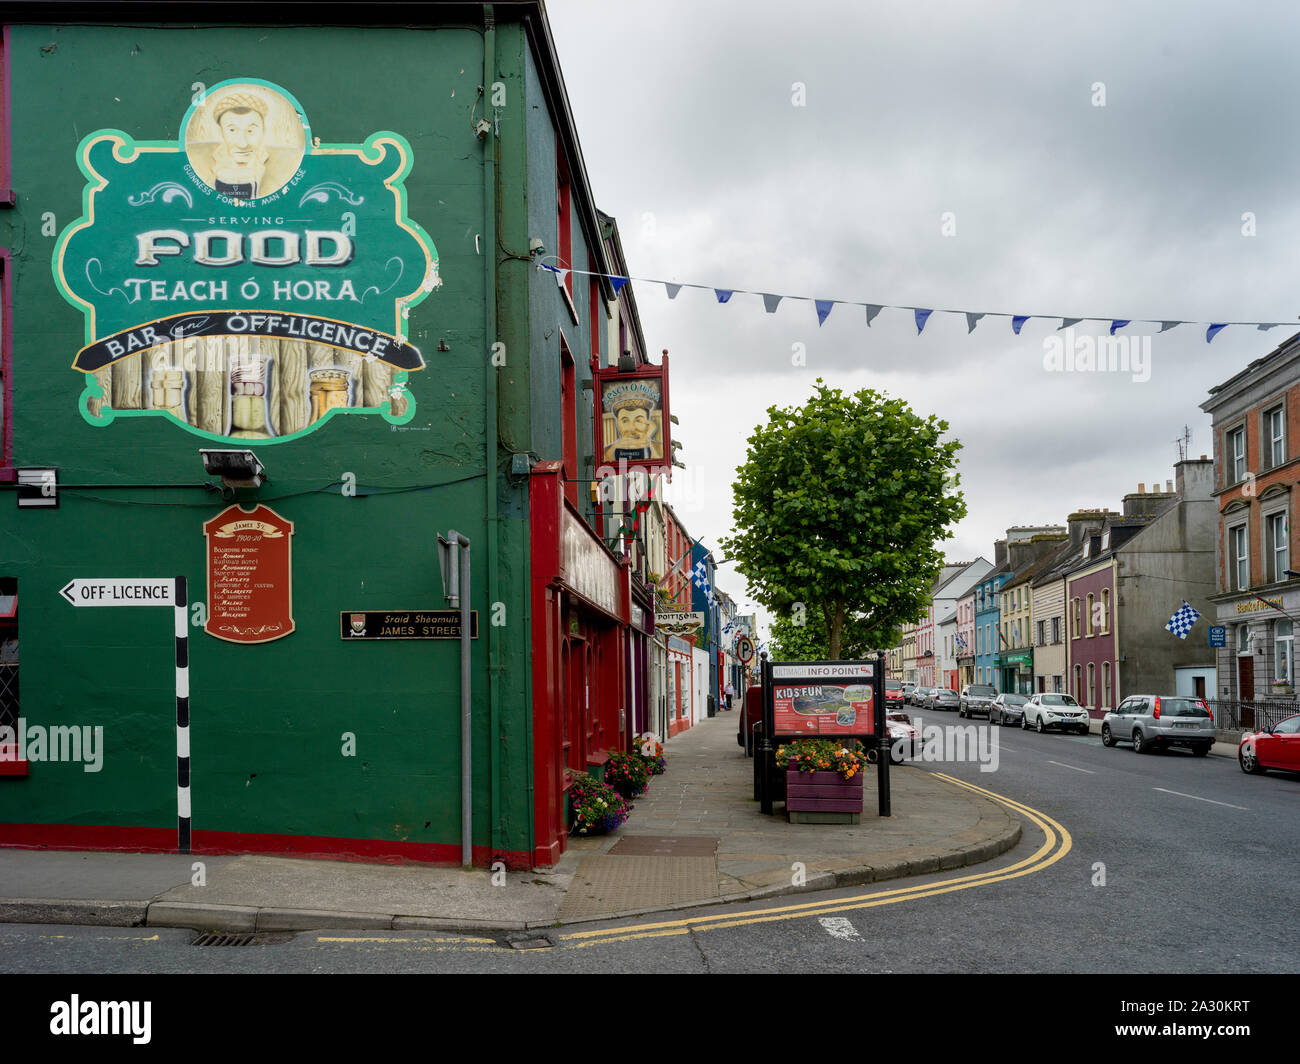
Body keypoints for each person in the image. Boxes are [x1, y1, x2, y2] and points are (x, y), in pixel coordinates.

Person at [187, 89, 303, 200]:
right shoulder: (197, 159)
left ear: (263, 130)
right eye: (232, 130)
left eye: (250, 131)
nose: (243, 144)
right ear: (221, 132)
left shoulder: (287, 163)